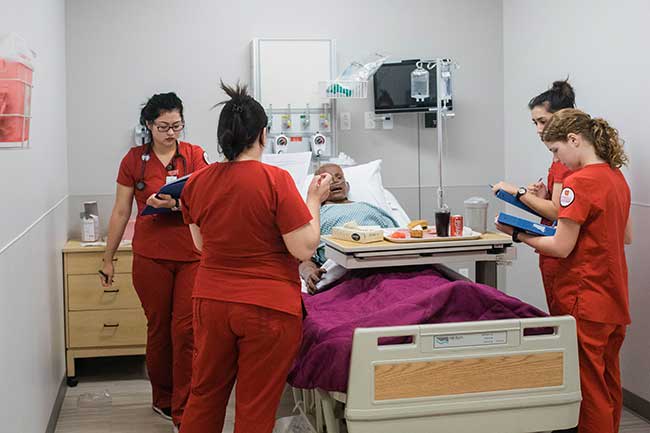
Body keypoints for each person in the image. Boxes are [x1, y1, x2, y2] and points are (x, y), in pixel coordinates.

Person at [178, 82, 332, 433]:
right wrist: (314, 199)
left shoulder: (196, 184)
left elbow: (201, 245)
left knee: (204, 395)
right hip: (268, 309)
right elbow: (304, 248)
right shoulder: (275, 180)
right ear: (263, 134)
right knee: (255, 405)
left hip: (212, 303)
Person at [496, 108, 632, 433]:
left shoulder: (579, 182)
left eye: (557, 151)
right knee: (609, 381)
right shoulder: (617, 178)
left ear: (574, 139)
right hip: (613, 298)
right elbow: (625, 236)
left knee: (589, 389)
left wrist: (517, 233)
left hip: (585, 299)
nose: (559, 161)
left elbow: (560, 247)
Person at [100, 92, 209, 430]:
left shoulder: (194, 155)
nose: (171, 132)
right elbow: (120, 212)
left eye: (177, 125)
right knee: (160, 330)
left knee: (186, 331)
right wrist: (108, 258)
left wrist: (176, 206)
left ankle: (184, 406)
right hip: (150, 257)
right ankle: (162, 400)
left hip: (191, 255)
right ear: (148, 125)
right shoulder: (134, 160)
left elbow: (207, 201)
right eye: (163, 126)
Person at [492, 80, 576, 306]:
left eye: (543, 121)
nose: (539, 129)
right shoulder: (559, 157)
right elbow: (561, 207)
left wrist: (518, 192)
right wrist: (542, 197)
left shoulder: (566, 161)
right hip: (555, 251)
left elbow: (558, 211)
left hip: (564, 257)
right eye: (535, 123)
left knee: (568, 326)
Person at [298, 163, 398, 293]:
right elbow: (305, 260)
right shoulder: (316, 215)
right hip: (344, 273)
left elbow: (396, 237)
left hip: (382, 265)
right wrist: (309, 273)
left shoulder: (369, 208)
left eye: (339, 177)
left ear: (347, 186)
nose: (334, 181)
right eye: (326, 179)